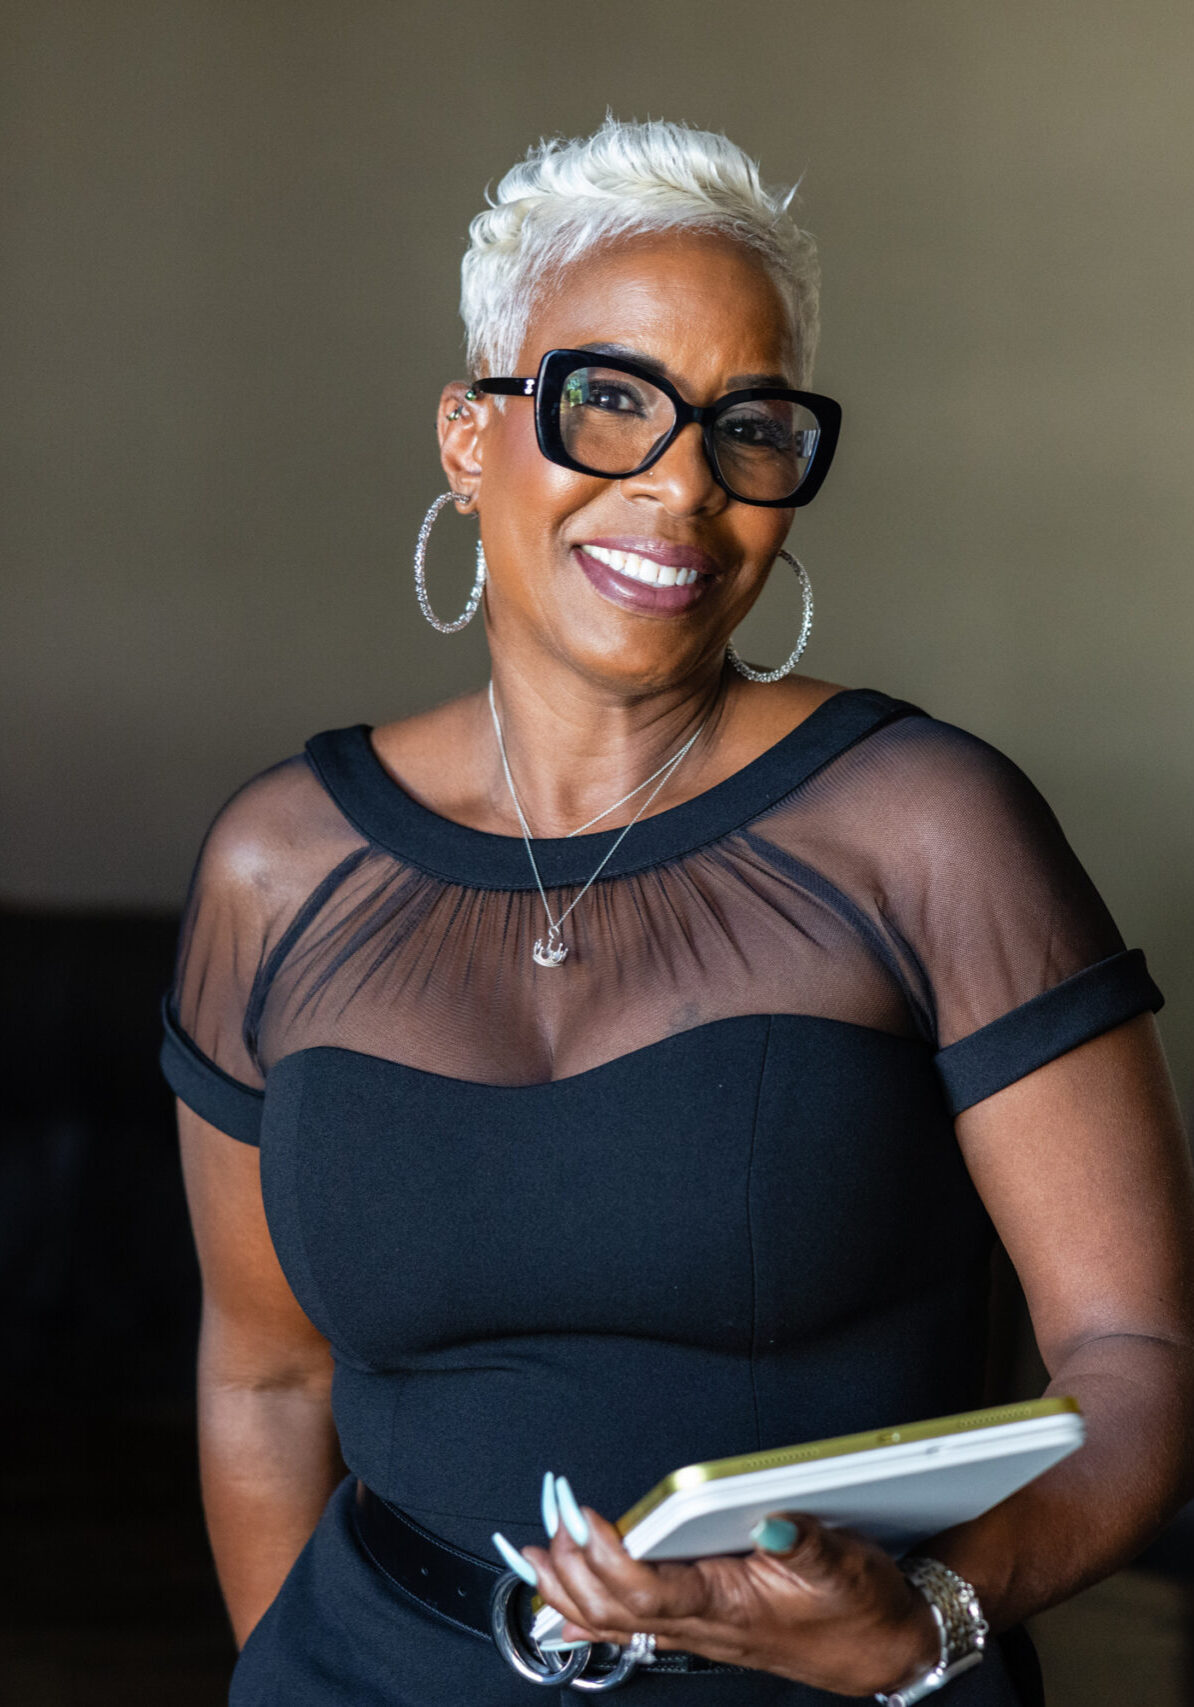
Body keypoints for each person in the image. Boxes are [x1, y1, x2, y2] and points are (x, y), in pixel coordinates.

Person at [162, 118, 1194, 1706]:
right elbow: (268, 1376)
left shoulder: (923, 824)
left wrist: (933, 1619)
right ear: (465, 435)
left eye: (746, 427)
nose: (681, 489)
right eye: (611, 405)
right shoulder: (276, 864)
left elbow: (1138, 1363)